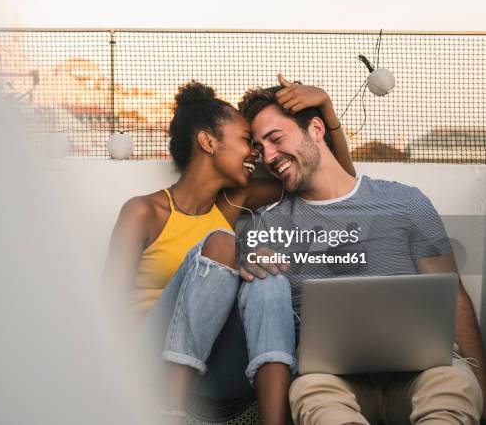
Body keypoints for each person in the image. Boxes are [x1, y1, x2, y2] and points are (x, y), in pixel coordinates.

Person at [103, 77, 354, 424]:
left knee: (266, 270)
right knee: (224, 243)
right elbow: (106, 312)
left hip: (210, 369)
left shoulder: (233, 204)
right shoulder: (144, 211)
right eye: (246, 141)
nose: (256, 152)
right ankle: (166, 410)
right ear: (207, 141)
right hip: (147, 362)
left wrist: (324, 109)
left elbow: (335, 180)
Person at [237, 84, 485, 424]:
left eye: (276, 139)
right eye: (259, 147)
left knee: (453, 385)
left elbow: (453, 295)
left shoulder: (405, 202)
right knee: (311, 394)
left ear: (316, 129)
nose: (267, 156)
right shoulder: (268, 223)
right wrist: (247, 262)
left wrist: (482, 384)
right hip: (330, 383)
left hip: (423, 374)